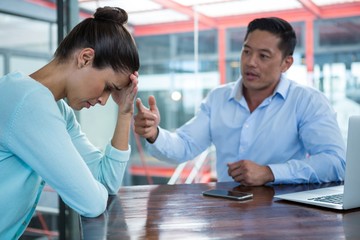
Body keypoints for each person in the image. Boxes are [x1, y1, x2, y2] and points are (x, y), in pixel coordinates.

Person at [134, 17, 346, 186]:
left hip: (284, 212)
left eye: (263, 56)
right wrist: (154, 134)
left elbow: (336, 162)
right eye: (246, 51)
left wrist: (270, 173)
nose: (250, 62)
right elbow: (185, 146)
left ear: (286, 63)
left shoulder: (306, 101)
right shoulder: (218, 98)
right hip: (227, 211)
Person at [0, 6, 139, 239]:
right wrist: (94, 191)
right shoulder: (27, 102)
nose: (105, 101)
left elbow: (105, 182)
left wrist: (125, 113)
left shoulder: (57, 109)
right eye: (108, 87)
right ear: (85, 58)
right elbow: (91, 202)